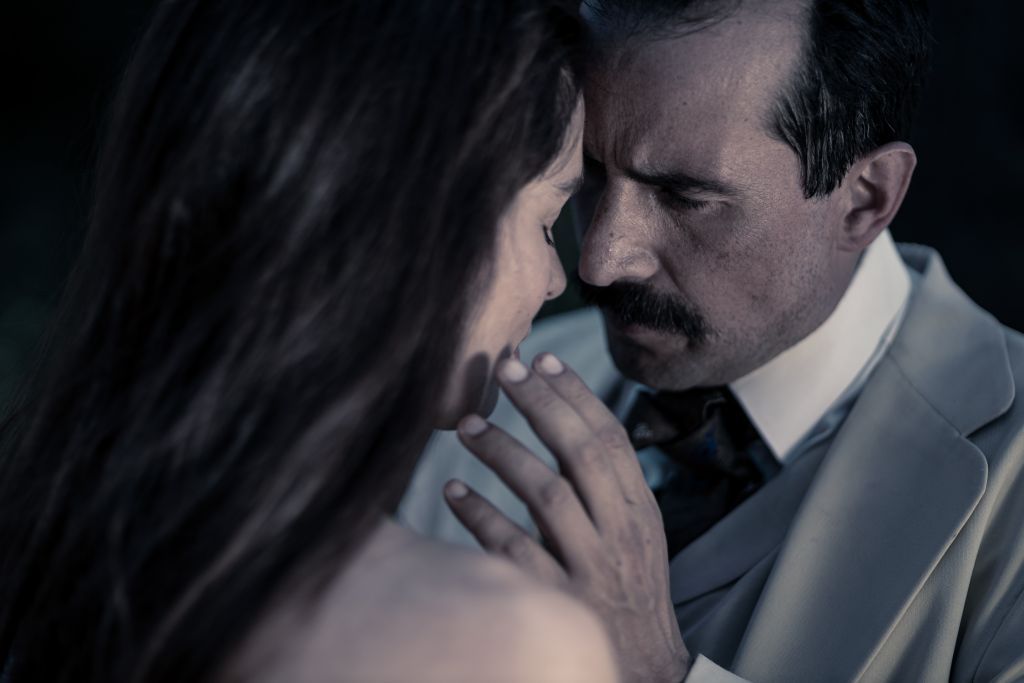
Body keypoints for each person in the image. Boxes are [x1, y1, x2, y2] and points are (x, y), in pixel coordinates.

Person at [402, 0, 1024, 680]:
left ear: (866, 197)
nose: (600, 261)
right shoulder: (482, 390)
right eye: (589, 175)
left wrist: (656, 671)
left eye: (684, 197)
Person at [0, 1, 620, 681]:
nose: (560, 279)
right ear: (424, 213)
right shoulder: (503, 642)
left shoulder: (69, 549)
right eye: (547, 221)